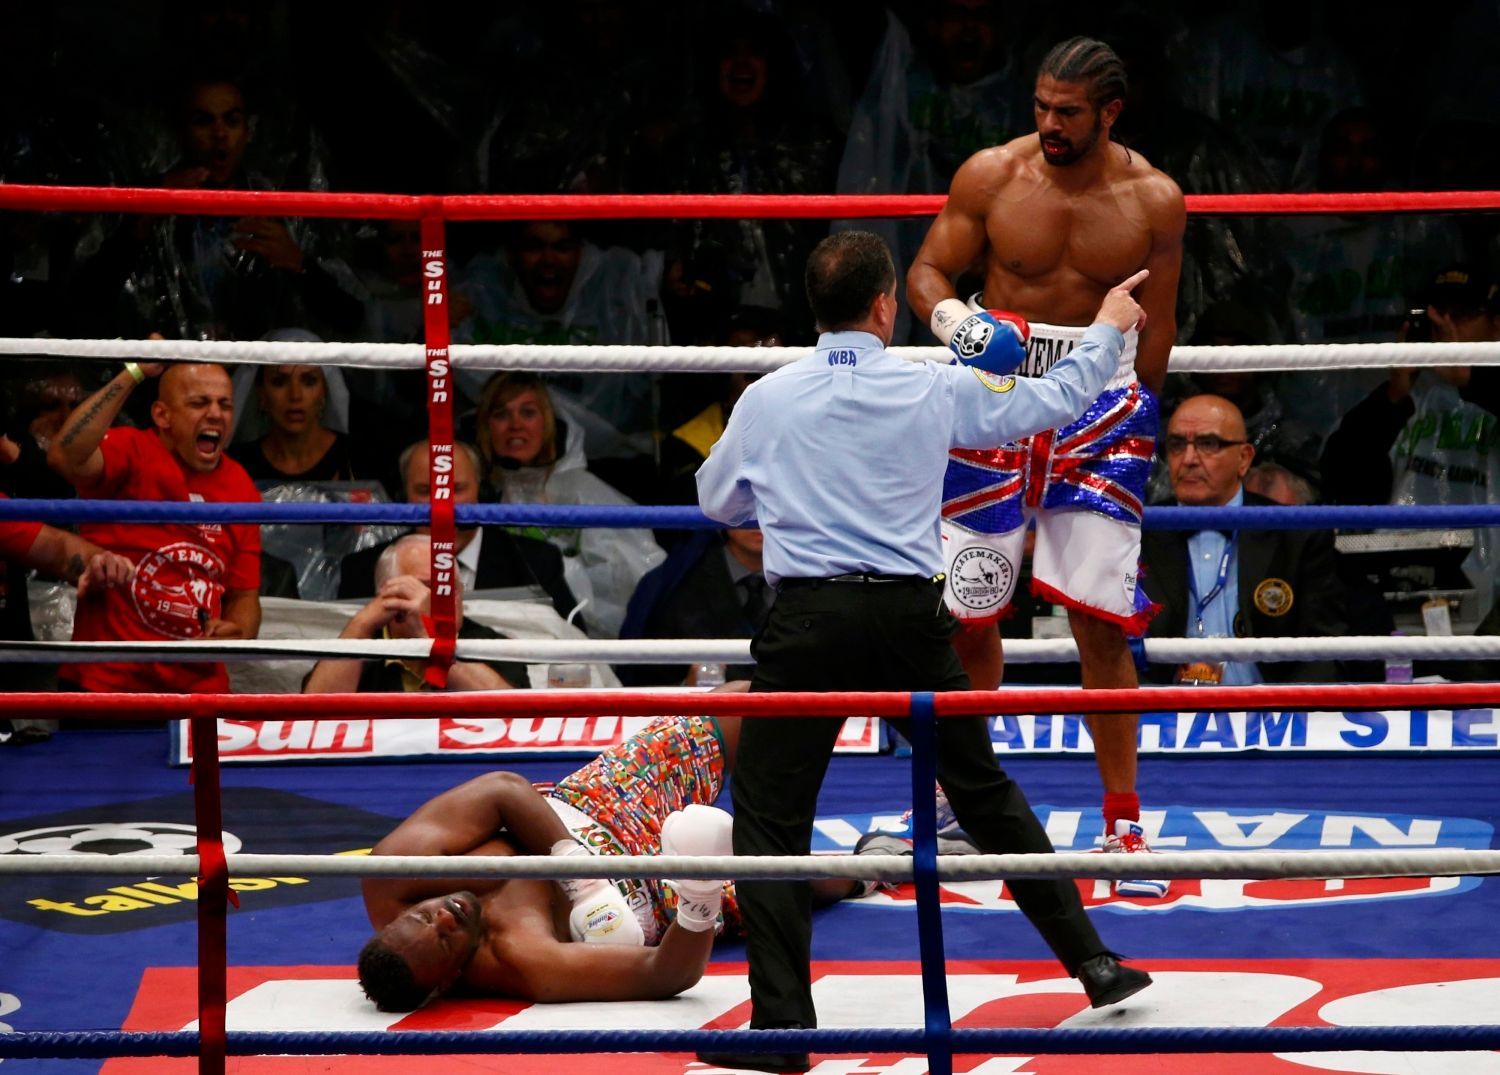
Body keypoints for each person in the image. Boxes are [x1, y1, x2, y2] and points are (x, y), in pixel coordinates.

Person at [695, 230, 1152, 1072]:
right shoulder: (930, 384)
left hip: (807, 620)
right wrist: (1106, 329)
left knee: (769, 817)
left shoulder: (765, 397)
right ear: (881, 307)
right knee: (983, 792)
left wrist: (795, 497)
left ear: (815, 308)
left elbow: (717, 501)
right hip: (908, 616)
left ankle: (784, 1026)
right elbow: (1052, 402)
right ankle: (1095, 963)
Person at [905, 37, 1185, 896]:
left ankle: (1124, 822)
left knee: (1101, 621)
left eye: (1067, 111)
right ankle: (966, 803)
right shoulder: (991, 175)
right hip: (993, 388)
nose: (1049, 124)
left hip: (1100, 406)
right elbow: (924, 271)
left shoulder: (1155, 200)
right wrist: (958, 324)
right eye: (1040, 106)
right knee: (970, 611)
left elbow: (1157, 329)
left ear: (1110, 112)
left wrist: (1139, 417)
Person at [357, 688, 859, 1010]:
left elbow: (502, 791)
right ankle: (878, 863)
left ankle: (868, 694)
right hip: (653, 895)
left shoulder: (393, 874)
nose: (446, 917)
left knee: (741, 705)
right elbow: (665, 973)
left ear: (395, 917)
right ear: (447, 982)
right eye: (444, 940)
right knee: (803, 881)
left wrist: (578, 874)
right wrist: (698, 895)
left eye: (424, 919)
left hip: (595, 806)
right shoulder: (526, 962)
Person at [46, 361, 262, 693]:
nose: (216, 414)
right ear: (163, 416)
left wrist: (238, 631)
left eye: (225, 404)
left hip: (197, 691)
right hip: (108, 683)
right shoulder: (131, 450)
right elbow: (65, 456)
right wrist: (133, 372)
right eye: (199, 403)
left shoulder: (241, 486)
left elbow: (245, 595)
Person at [1139, 395, 1350, 686]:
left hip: (1271, 717)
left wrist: (1287, 719)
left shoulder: (1296, 532)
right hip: (1162, 718)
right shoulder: (1137, 532)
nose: (1188, 459)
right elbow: (1114, 649)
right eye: (1176, 445)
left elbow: (1325, 649)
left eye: (1207, 444)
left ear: (1244, 459)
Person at [473, 372, 665, 638]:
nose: (515, 425)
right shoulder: (472, 496)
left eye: (528, 413)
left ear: (548, 423)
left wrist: (570, 577)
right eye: (501, 414)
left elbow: (640, 575)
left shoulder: (582, 491)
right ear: (486, 427)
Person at [337, 440, 582, 629]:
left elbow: (572, 651)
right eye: (425, 491)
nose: (442, 505)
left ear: (482, 492)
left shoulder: (536, 562)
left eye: (456, 489)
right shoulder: (361, 570)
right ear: (403, 498)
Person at [306, 533, 530, 694]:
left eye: (450, 588)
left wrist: (430, 641)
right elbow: (309, 724)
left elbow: (519, 720)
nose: (442, 600)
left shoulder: (492, 645)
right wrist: (361, 624)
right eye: (426, 588)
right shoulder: (359, 645)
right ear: (388, 593)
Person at [618, 526, 771, 686]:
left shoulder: (797, 583)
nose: (758, 519)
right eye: (747, 502)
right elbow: (643, 679)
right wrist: (686, 688)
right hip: (696, 707)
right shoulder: (670, 587)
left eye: (774, 504)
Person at [228, 346, 357, 484]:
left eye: (309, 381)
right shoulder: (236, 465)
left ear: (324, 390)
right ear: (261, 393)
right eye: (279, 382)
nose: (295, 395)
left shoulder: (356, 456)